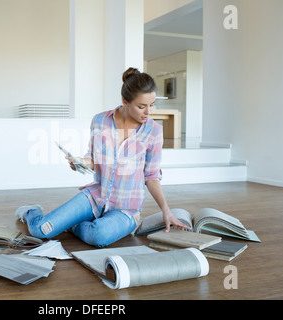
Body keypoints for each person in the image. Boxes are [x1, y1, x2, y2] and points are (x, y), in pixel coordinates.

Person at [15, 67, 190, 248]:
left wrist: (166, 211)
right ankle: (31, 212)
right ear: (125, 101)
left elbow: (151, 176)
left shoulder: (153, 131)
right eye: (141, 106)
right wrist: (81, 163)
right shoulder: (100, 121)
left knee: (99, 236)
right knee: (40, 230)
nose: (148, 112)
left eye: (152, 104)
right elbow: (92, 158)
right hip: (96, 196)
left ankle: (73, 224)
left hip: (126, 209)